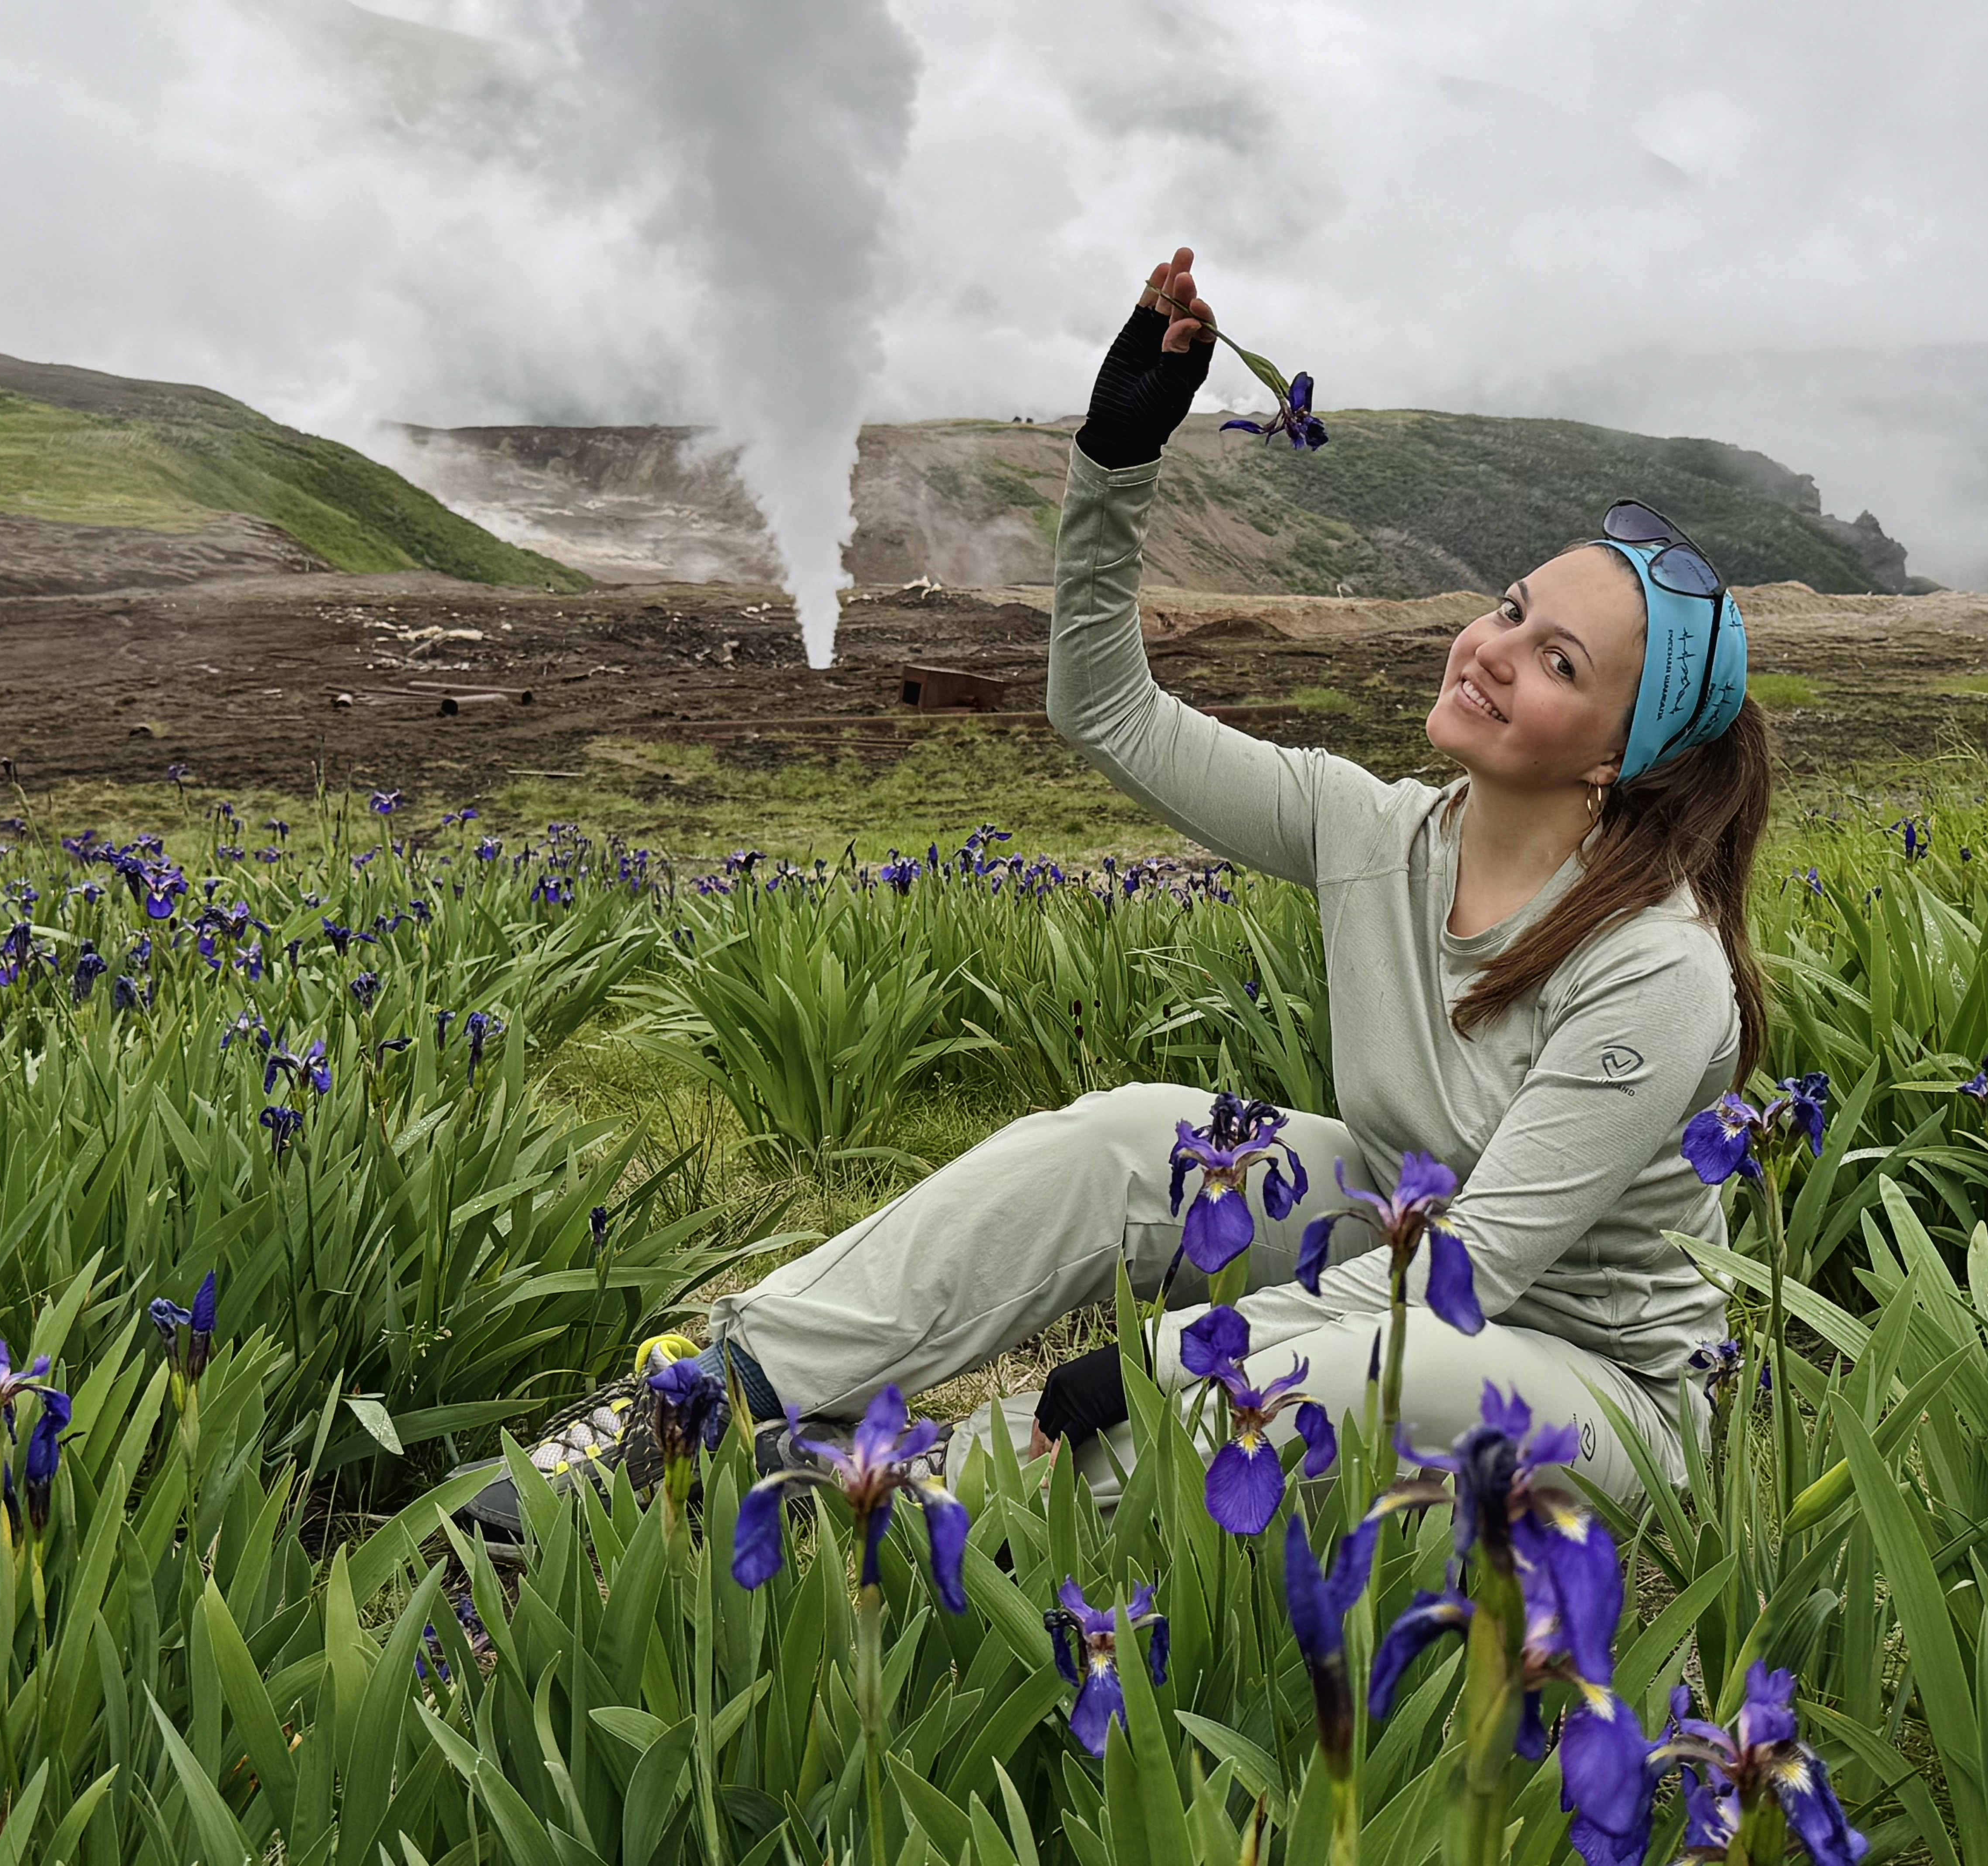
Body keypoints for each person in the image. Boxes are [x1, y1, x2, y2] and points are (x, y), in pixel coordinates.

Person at [458, 244, 1767, 1535]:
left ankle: (891, 1515)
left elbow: (1469, 1277)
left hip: (1587, 1379)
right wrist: (1117, 463)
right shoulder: (1373, 832)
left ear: (1618, 752)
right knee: (1132, 1138)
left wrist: (1156, 1357)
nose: (1488, 650)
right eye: (1507, 607)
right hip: (1383, 1244)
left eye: (1556, 659)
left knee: (1303, 1366)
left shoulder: (1657, 968)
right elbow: (1105, 708)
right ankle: (708, 1396)